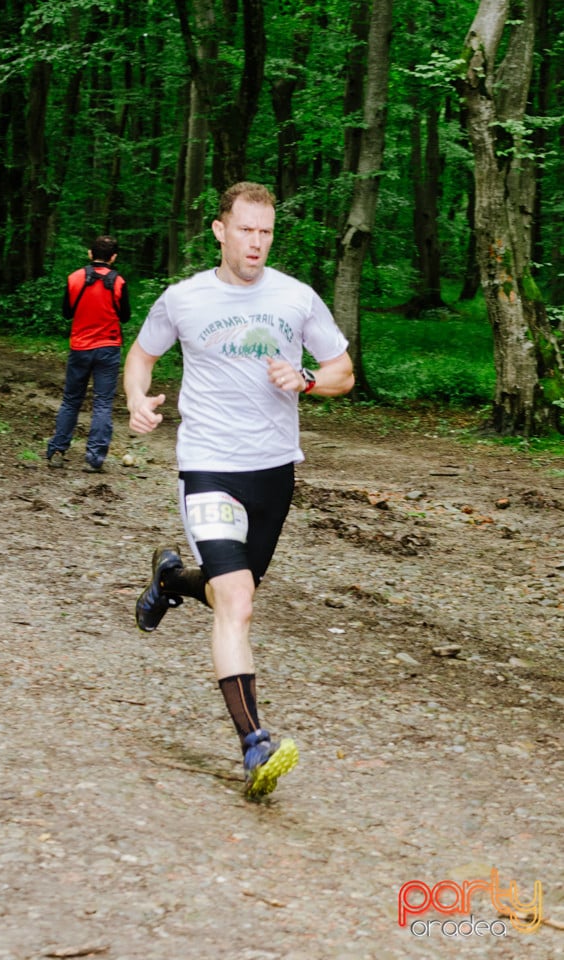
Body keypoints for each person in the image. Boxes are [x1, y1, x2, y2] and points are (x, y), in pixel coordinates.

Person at [124, 182, 354, 798]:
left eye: (266, 232)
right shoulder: (184, 298)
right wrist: (135, 399)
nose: (256, 242)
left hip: (274, 469)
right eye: (246, 229)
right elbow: (141, 356)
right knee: (238, 603)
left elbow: (342, 372)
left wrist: (305, 378)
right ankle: (255, 743)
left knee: (238, 589)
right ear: (220, 229)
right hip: (208, 466)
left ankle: (171, 579)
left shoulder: (296, 297)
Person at [47, 235, 131, 472]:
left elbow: (66, 312)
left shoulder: (74, 278)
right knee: (103, 403)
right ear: (113, 257)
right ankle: (94, 459)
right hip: (108, 348)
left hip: (80, 347)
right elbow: (125, 317)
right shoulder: (119, 282)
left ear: (90, 254)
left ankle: (57, 451)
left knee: (71, 400)